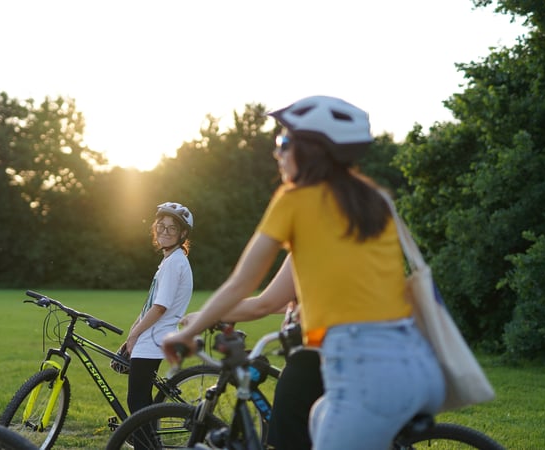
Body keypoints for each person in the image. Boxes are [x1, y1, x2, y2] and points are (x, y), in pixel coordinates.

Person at [162, 96, 445, 449]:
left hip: (353, 366)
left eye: (283, 143)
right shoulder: (375, 200)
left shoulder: (297, 199)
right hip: (412, 364)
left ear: (312, 150)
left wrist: (189, 331)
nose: (276, 153)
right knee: (320, 418)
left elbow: (243, 283)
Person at [181, 255, 324, 450]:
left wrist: (208, 316)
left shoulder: (308, 246)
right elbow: (285, 302)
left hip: (306, 362)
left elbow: (265, 303)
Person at [124, 202, 194, 416]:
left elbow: (160, 307)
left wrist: (135, 334)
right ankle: (145, 441)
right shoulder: (170, 260)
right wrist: (133, 331)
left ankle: (145, 444)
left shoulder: (174, 263)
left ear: (182, 233)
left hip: (154, 338)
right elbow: (150, 305)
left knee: (137, 402)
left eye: (171, 228)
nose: (164, 231)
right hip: (152, 336)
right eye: (161, 226)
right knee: (141, 400)